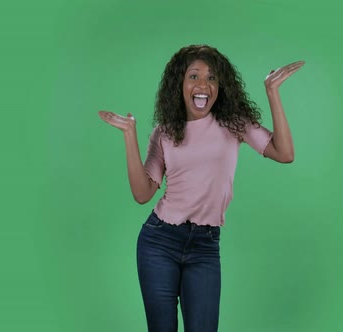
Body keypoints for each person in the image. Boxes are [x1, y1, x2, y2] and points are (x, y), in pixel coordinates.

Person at [98, 44, 304, 332]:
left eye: (212, 78)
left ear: (221, 86)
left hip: (205, 246)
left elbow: (285, 153)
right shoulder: (165, 132)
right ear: (179, 84)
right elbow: (143, 193)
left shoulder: (234, 124)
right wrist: (129, 135)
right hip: (159, 242)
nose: (203, 85)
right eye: (194, 76)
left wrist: (272, 92)